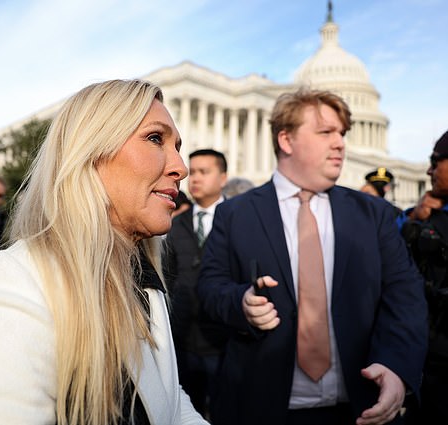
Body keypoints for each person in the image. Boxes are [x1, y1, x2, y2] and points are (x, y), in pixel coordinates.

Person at [0, 79, 209, 425]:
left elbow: (165, 398)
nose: (180, 167)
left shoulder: (143, 281)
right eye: (155, 138)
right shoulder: (13, 281)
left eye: (177, 146)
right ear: (92, 153)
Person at [197, 88, 427, 425]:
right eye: (325, 132)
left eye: (342, 133)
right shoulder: (235, 214)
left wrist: (396, 367)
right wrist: (241, 302)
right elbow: (210, 287)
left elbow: (405, 298)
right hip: (261, 406)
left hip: (359, 408)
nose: (340, 143)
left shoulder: (373, 214)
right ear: (286, 140)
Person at [164, 148, 228, 418]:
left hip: (224, 342)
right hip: (185, 341)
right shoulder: (173, 226)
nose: (195, 178)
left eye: (205, 172)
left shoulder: (238, 219)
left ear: (223, 178)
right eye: (193, 172)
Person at [398, 129, 448, 424]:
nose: (429, 170)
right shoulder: (419, 218)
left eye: (436, 161)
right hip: (434, 359)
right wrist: (413, 223)